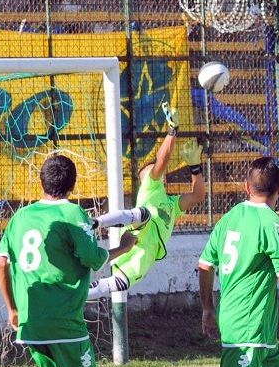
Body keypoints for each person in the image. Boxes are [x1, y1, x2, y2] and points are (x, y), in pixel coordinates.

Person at [0, 154, 138, 367]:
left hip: (30, 324)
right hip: (64, 324)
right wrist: (124, 247)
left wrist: (12, 309)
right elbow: (92, 258)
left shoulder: (20, 216)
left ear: (41, 181)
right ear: (73, 183)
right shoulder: (72, 213)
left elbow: (1, 264)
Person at [198, 156, 279, 367]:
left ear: (247, 187)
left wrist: (208, 307)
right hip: (248, 327)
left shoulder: (228, 219)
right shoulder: (272, 224)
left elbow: (205, 265)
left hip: (260, 332)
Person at [87, 102, 206, 300]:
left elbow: (198, 196)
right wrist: (172, 131)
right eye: (147, 171)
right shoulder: (151, 187)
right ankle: (95, 222)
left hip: (146, 252)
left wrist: (195, 167)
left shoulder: (173, 205)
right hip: (139, 226)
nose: (152, 172)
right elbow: (162, 160)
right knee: (143, 214)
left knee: (120, 283)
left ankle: (76, 295)